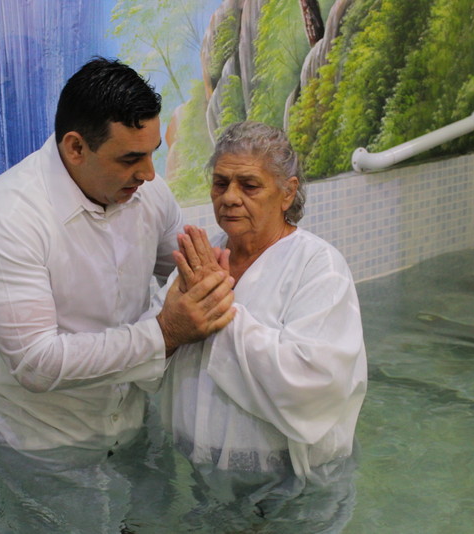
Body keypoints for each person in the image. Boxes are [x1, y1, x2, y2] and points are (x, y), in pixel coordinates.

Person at [0, 57, 235, 532]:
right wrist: (165, 334)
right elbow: (37, 364)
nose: (149, 174)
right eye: (130, 159)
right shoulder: (4, 221)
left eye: (152, 153)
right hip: (46, 449)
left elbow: (186, 270)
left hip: (134, 429)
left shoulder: (148, 195)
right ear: (75, 148)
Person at [147, 121, 368, 531]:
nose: (229, 197)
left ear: (287, 192)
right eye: (220, 183)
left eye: (249, 185)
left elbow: (314, 382)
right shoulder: (204, 261)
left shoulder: (318, 267)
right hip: (198, 475)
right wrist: (175, 326)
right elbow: (153, 347)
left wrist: (220, 311)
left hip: (292, 487)